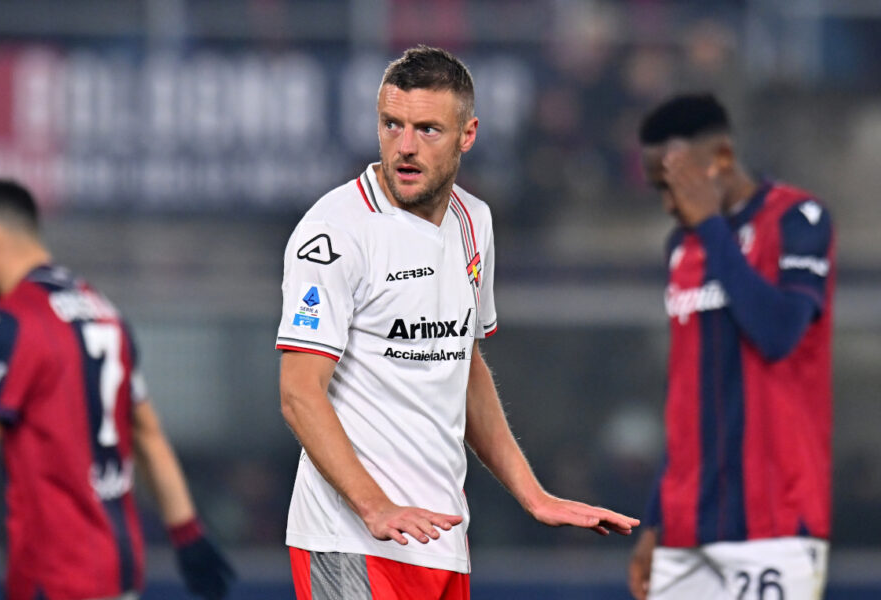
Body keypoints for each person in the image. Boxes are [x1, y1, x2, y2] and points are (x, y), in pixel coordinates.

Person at [275, 45, 639, 599]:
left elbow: (463, 366)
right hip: (351, 539)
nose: (405, 146)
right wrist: (373, 507)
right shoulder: (335, 232)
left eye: (427, 129)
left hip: (440, 538)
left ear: (467, 135)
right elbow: (300, 393)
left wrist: (533, 495)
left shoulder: (475, 222)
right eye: (391, 124)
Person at [0, 180, 235, 600]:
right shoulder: (104, 311)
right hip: (119, 569)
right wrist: (187, 531)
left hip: (56, 572)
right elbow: (147, 433)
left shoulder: (14, 319)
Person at [627, 94, 834, 600]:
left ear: (719, 158)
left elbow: (779, 332)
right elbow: (685, 395)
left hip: (775, 525)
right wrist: (655, 520)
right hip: (685, 528)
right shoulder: (682, 246)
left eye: (673, 185)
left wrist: (714, 229)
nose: (669, 204)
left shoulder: (798, 219)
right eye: (659, 189)